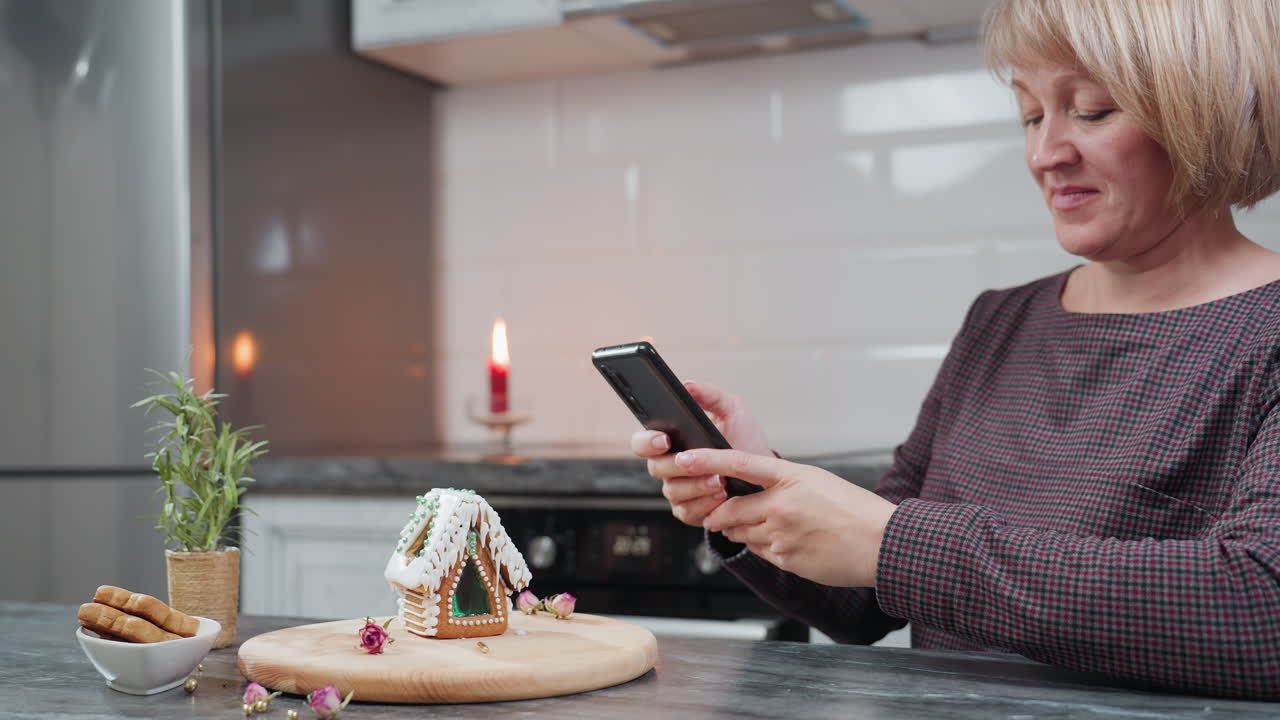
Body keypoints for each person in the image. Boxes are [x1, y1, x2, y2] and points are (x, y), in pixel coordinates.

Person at [631, 0, 1280, 700]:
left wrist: (894, 544)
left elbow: (1259, 610)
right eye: (1032, 116)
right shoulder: (1000, 323)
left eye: (1092, 111)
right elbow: (864, 601)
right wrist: (758, 487)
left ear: (1204, 113)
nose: (1044, 154)